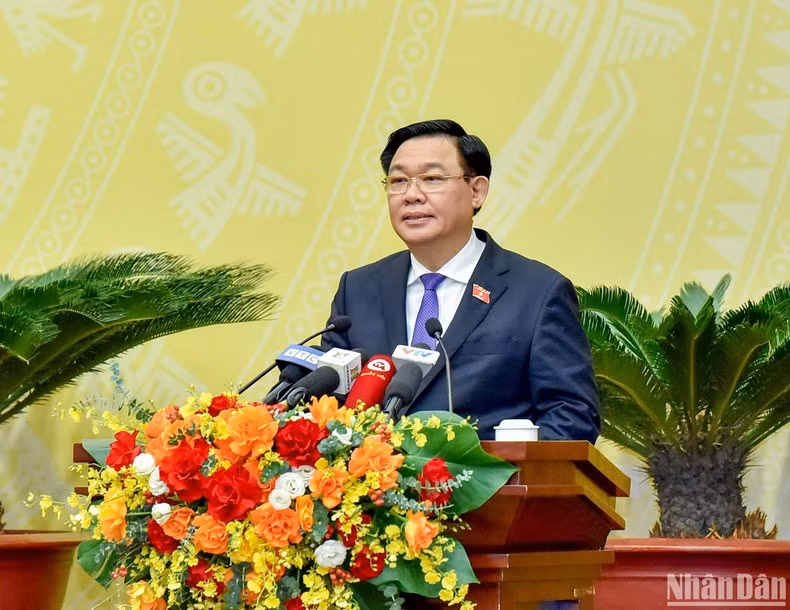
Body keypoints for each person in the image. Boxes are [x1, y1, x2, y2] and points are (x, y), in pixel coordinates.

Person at [322, 119, 599, 443]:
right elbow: (327, 403)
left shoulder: (536, 293)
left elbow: (572, 415)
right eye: (398, 181)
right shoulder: (357, 289)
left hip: (486, 490)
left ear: (477, 191)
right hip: (374, 489)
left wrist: (482, 473)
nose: (411, 195)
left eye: (432, 179)